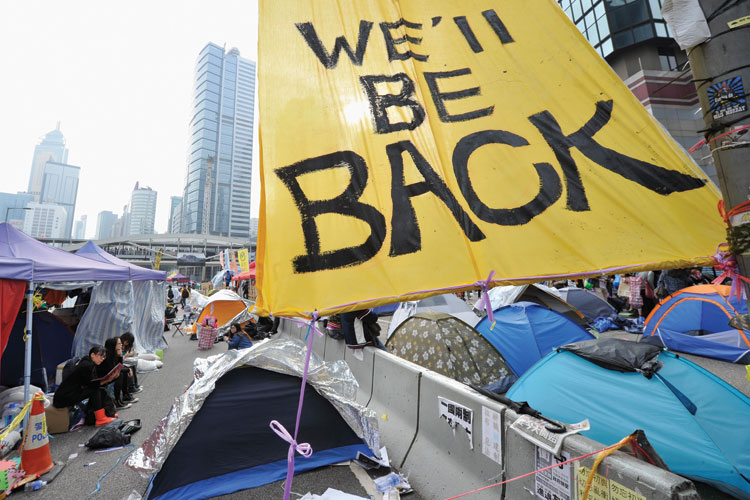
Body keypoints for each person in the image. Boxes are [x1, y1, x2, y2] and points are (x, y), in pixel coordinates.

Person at [53, 345, 117, 426]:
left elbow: (91, 383)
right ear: (93, 355)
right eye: (101, 356)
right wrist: (108, 379)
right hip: (64, 398)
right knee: (95, 390)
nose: (102, 358)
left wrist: (107, 379)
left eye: (104, 356)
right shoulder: (86, 366)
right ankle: (100, 418)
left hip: (67, 394)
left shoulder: (88, 363)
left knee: (99, 389)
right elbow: (92, 385)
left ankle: (106, 414)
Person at [98, 337, 136, 410]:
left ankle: (125, 396)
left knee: (123, 372)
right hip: (104, 382)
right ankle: (117, 401)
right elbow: (114, 370)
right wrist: (128, 370)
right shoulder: (106, 357)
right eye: (119, 343)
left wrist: (120, 356)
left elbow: (119, 367)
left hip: (110, 379)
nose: (121, 345)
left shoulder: (114, 354)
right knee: (121, 374)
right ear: (113, 345)